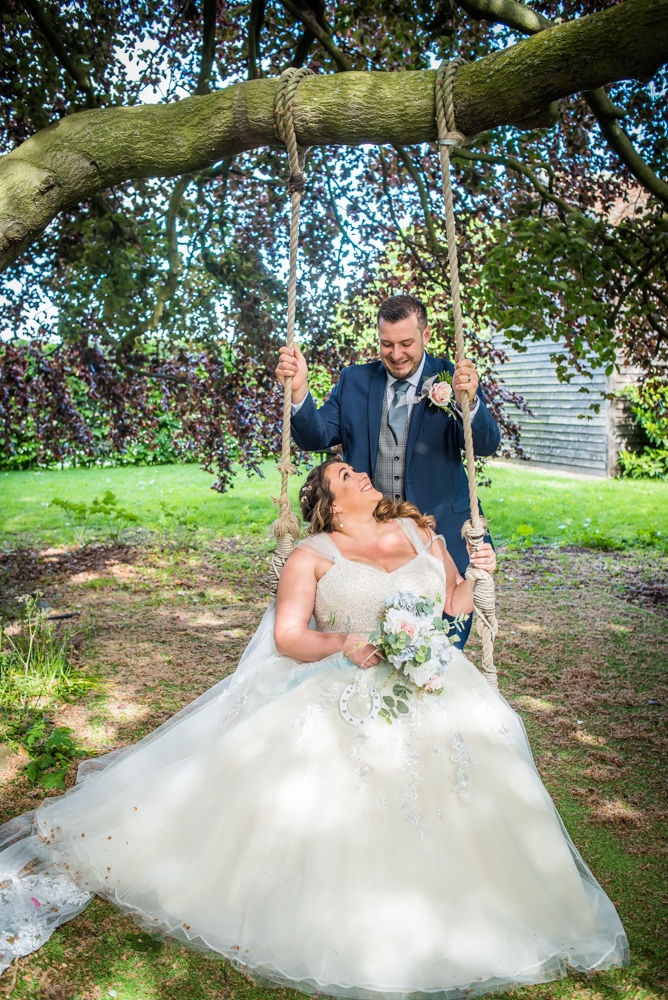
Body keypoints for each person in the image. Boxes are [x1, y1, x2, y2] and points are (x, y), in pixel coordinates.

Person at [0, 460, 628, 997]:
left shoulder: (418, 532)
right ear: (329, 506)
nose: (361, 475)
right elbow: (288, 635)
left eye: (356, 470)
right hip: (352, 682)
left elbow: (454, 604)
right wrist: (343, 644)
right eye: (346, 475)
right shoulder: (312, 555)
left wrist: (481, 572)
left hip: (438, 680)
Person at [276, 294, 501, 646]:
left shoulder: (453, 377)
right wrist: (300, 391)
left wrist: (466, 403)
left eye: (406, 343)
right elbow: (315, 435)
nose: (396, 354)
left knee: (442, 653)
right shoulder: (354, 381)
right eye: (387, 344)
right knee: (375, 646)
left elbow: (485, 445)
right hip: (371, 546)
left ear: (426, 335)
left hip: (439, 538)